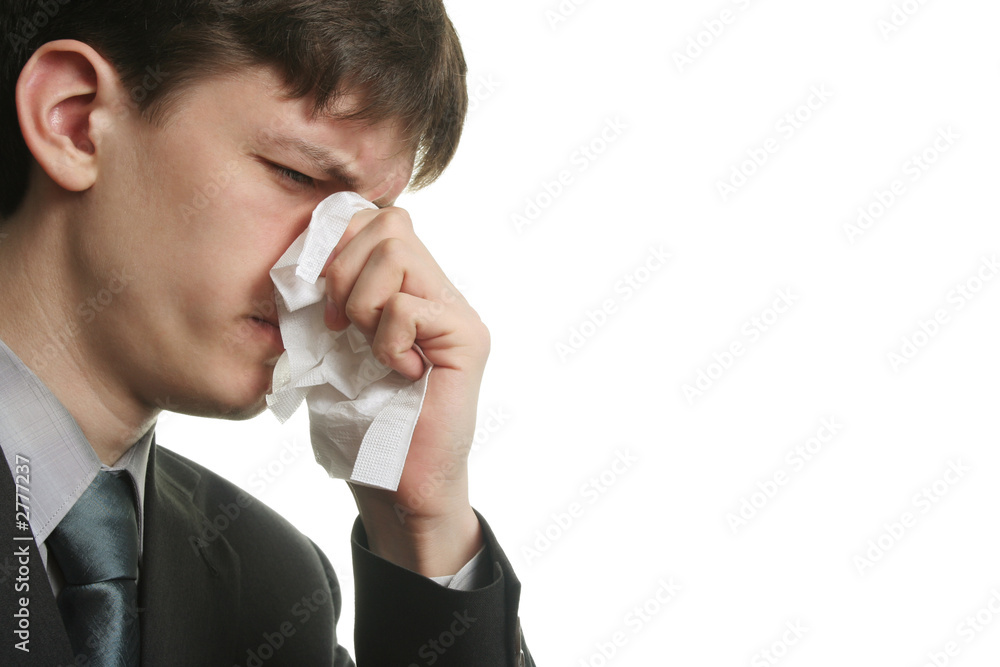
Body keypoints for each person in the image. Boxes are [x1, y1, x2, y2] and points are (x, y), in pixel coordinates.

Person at [0, 1, 534, 664]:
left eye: (367, 214)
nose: (330, 266)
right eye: (296, 174)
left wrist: (420, 527)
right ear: (75, 121)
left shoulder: (277, 592)